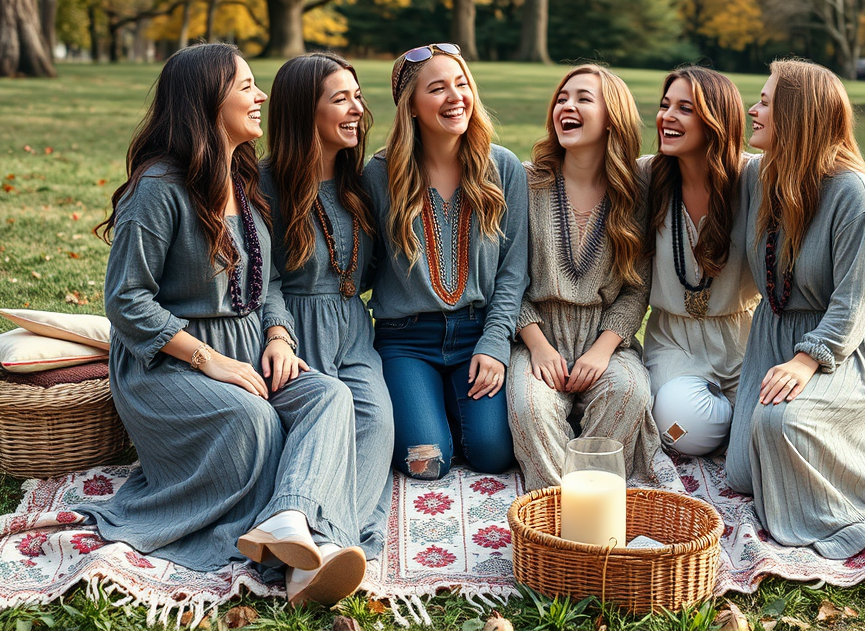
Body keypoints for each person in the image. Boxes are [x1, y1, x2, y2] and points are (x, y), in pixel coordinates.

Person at [79, 43, 366, 606]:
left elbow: (272, 282)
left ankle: (294, 525)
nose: (262, 96)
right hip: (168, 362)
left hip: (248, 348)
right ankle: (294, 557)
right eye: (247, 86)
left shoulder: (243, 177)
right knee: (253, 422)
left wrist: (279, 336)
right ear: (208, 102)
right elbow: (127, 300)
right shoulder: (158, 189)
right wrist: (213, 362)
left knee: (329, 398)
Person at [725, 58, 865, 558]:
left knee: (779, 425)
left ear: (798, 115)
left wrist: (808, 360)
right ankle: (830, 451)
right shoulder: (761, 176)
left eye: (765, 101)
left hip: (839, 347)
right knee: (743, 472)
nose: (752, 109)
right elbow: (699, 167)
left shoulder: (855, 194)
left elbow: (853, 303)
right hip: (774, 335)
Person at [364, 43, 528, 480]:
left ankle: (444, 409)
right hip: (406, 340)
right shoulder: (378, 175)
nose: (456, 97)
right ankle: (428, 408)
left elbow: (513, 272)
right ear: (412, 107)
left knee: (492, 454)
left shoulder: (503, 168)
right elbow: (360, 265)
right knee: (426, 461)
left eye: (462, 84)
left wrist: (495, 346)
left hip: (477, 334)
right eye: (437, 88)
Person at [261, 53, 393, 564]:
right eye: (341, 99)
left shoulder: (360, 181)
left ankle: (327, 543)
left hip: (353, 328)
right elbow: (263, 275)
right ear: (302, 112)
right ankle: (324, 546)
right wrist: (277, 334)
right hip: (292, 326)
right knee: (324, 414)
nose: (357, 108)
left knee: (378, 424)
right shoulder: (265, 183)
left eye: (358, 96)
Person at [507, 65, 660, 491]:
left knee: (629, 393)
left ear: (613, 116)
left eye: (583, 99)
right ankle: (558, 510)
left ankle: (594, 493)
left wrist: (602, 350)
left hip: (606, 338)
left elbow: (637, 289)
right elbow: (506, 279)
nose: (566, 107)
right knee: (529, 409)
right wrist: (536, 345)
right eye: (562, 98)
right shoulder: (524, 181)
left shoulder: (636, 193)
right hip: (534, 335)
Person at [642, 67, 759, 457]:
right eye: (664, 106)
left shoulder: (753, 178)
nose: (667, 117)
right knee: (684, 429)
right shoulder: (647, 176)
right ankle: (721, 422)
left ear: (715, 120)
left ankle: (735, 424)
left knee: (770, 433)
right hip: (675, 341)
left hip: (743, 339)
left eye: (684, 109)